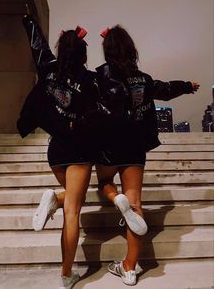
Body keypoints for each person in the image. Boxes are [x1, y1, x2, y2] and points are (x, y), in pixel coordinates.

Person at [95, 25, 199, 286]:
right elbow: (164, 89)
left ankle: (114, 197)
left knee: (103, 183)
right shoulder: (143, 79)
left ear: (107, 51)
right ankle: (130, 268)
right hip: (134, 146)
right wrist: (187, 86)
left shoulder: (98, 77)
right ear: (131, 50)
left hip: (108, 145)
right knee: (136, 203)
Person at [17, 6, 102, 289]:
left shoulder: (47, 69)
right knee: (73, 212)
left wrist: (29, 19)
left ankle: (55, 198)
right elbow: (98, 114)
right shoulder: (90, 81)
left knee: (72, 201)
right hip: (79, 149)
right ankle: (67, 274)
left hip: (56, 151)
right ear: (83, 54)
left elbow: (37, 45)